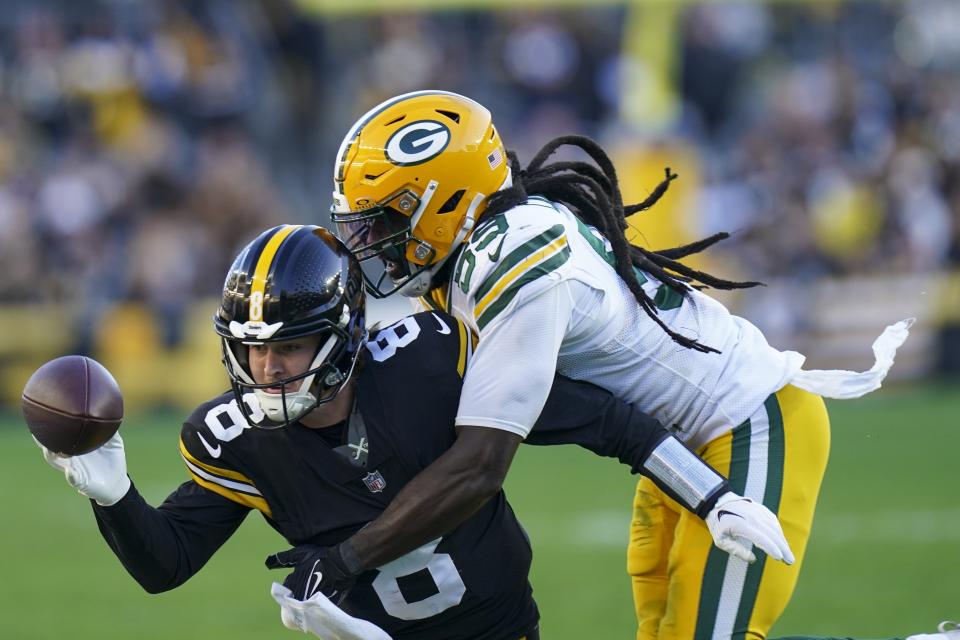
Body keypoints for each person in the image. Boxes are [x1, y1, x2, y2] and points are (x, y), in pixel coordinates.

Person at [327, 90, 921, 640]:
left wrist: (349, 557)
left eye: (383, 218)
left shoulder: (510, 260)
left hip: (747, 425)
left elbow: (482, 462)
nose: (371, 239)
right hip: (674, 451)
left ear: (447, 200)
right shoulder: (472, 257)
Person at [36, 225, 793, 640]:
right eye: (253, 347)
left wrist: (711, 495)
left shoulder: (432, 365)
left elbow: (603, 418)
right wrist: (113, 495)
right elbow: (165, 565)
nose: (266, 368)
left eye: (289, 346)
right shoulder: (236, 438)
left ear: (344, 335)